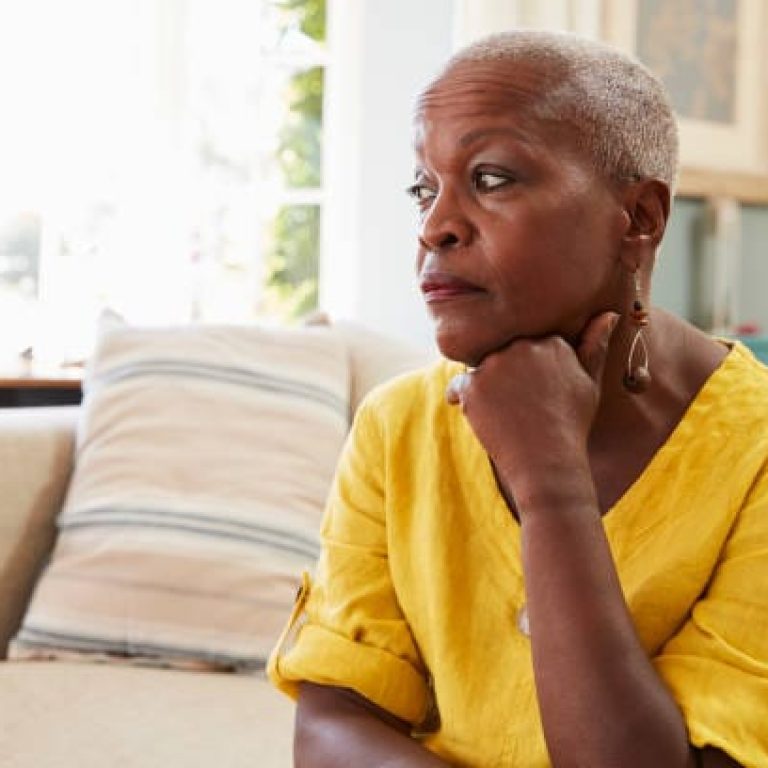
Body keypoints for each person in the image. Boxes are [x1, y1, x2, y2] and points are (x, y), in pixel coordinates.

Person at [268, 29, 768, 768]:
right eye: (422, 187)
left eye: (492, 178)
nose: (435, 226)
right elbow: (331, 727)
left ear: (640, 219)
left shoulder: (753, 454)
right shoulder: (397, 425)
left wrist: (553, 488)